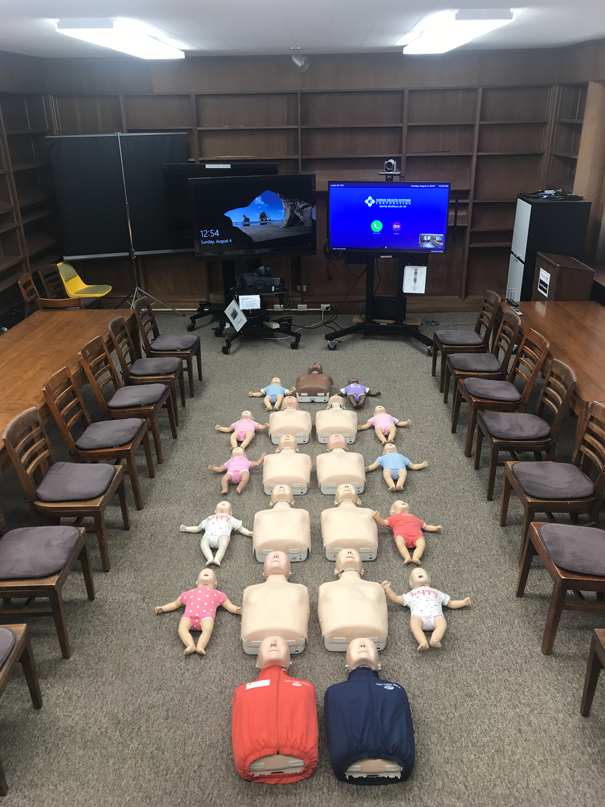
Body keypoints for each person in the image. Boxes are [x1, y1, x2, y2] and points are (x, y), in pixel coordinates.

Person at [155, 568, 242, 655]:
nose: (207, 571)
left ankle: (201, 645)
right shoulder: (188, 593)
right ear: (197, 582)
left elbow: (228, 605)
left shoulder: (218, 594)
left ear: (215, 583)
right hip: (188, 616)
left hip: (206, 617)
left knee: (207, 629)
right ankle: (190, 645)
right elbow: (175, 604)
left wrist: (236, 609)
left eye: (210, 572)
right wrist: (163, 608)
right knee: (182, 629)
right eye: (203, 572)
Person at [382, 568, 471, 651]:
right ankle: (423, 642)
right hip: (418, 617)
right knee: (414, 625)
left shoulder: (437, 592)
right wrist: (388, 589)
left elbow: (450, 603)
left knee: (442, 624)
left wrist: (463, 602)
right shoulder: (410, 594)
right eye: (416, 573)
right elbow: (396, 598)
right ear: (411, 584)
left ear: (429, 580)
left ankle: (435, 639)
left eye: (422, 572)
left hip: (436, 616)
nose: (420, 572)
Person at [180, 501, 252, 566]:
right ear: (215, 511)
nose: (223, 503)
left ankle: (217, 559)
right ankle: (210, 558)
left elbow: (241, 529)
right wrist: (186, 528)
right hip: (208, 535)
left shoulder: (231, 518)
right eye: (220, 503)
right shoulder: (209, 518)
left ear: (230, 512)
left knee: (223, 546)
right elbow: (197, 528)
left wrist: (249, 533)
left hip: (222, 535)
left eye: (226, 504)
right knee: (203, 545)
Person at [372, 501, 442, 565]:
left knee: (421, 544)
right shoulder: (393, 517)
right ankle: (407, 557)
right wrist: (378, 518)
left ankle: (416, 557)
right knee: (400, 544)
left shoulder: (414, 517)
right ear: (393, 511)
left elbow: (425, 526)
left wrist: (435, 528)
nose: (403, 502)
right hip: (401, 535)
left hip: (417, 535)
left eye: (404, 502)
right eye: (399, 503)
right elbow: (384, 523)